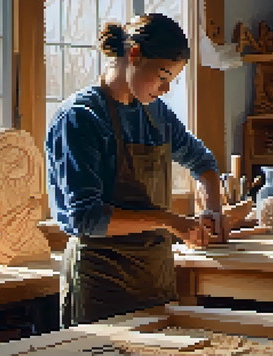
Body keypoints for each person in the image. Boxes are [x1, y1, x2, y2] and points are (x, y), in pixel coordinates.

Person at [45, 13, 226, 329]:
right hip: (101, 284)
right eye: (163, 75)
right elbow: (86, 218)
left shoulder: (155, 114)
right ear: (134, 54)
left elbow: (204, 162)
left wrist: (213, 209)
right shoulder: (81, 118)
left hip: (154, 279)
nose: (167, 88)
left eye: (173, 80)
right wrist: (170, 221)